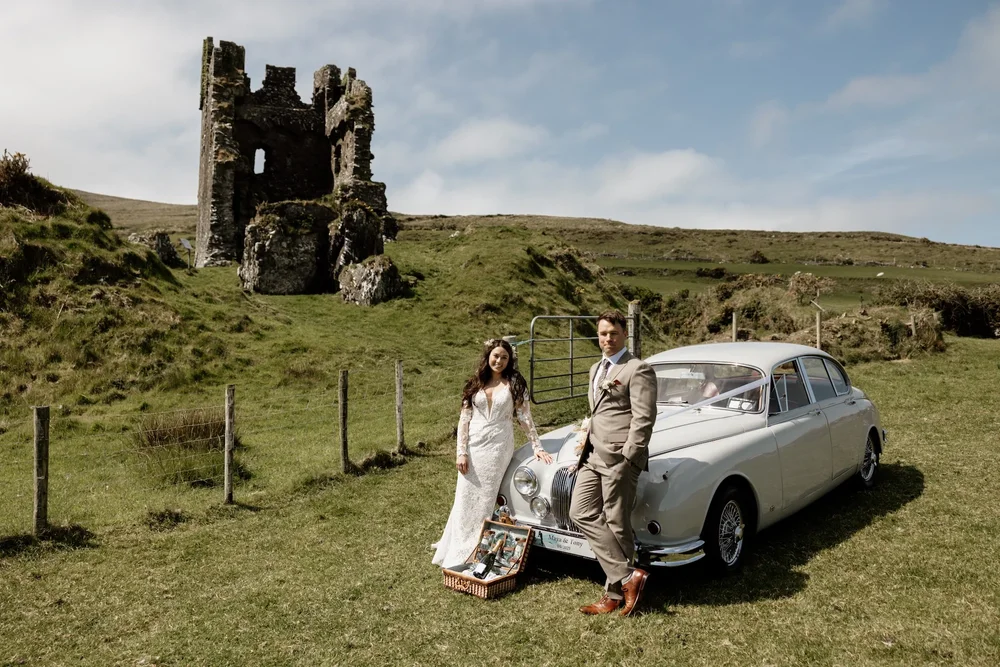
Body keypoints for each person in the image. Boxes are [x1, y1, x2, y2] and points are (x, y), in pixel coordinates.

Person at [431, 338, 552, 568]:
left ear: (509, 360)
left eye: (504, 357)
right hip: (473, 444)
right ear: (488, 356)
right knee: (464, 494)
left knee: (485, 498)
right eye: (496, 356)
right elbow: (464, 419)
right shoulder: (476, 382)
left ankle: (473, 549)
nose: (499, 361)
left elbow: (524, 417)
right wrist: (461, 452)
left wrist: (537, 446)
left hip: (498, 446)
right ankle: (456, 541)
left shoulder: (514, 383)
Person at [569, 310, 657, 617]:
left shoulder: (637, 369)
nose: (608, 338)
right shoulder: (596, 368)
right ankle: (628, 576)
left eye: (613, 333)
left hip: (620, 458)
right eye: (603, 333)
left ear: (624, 334)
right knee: (580, 511)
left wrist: (628, 457)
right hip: (593, 455)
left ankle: (614, 595)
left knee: (617, 522)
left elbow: (644, 418)